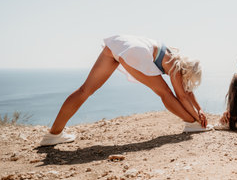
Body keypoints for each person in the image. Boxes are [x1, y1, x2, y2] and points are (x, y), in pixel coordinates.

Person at [40, 34, 212, 146]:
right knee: (164, 92)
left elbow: (187, 91)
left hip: (119, 44)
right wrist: (197, 119)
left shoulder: (172, 55)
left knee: (85, 90)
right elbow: (181, 95)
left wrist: (200, 110)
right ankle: (192, 125)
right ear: (187, 71)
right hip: (134, 51)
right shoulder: (176, 67)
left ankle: (53, 135)